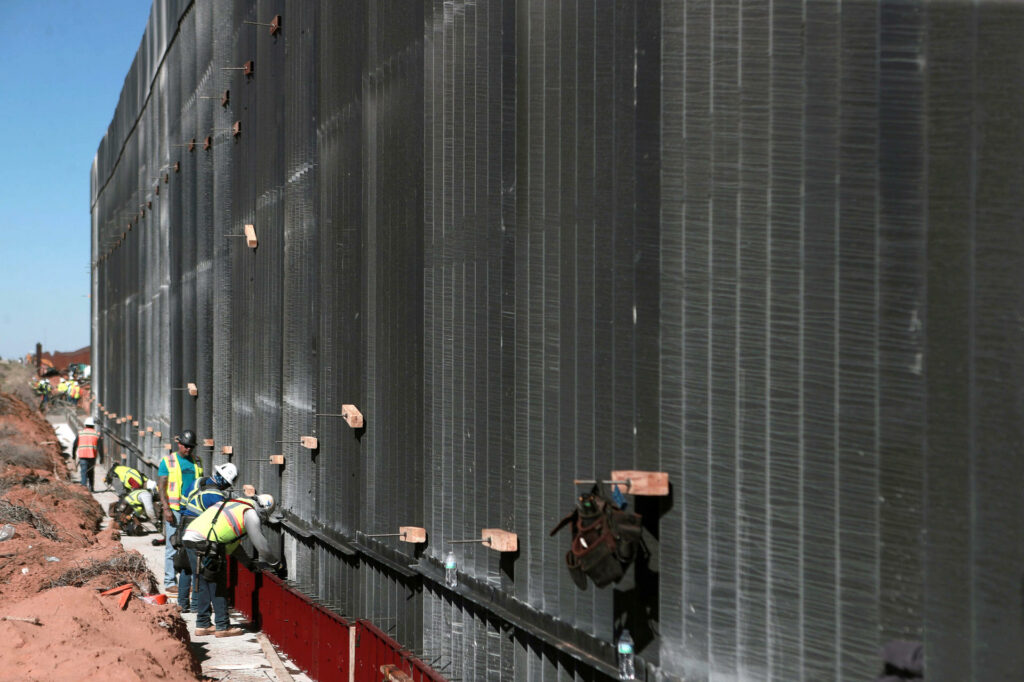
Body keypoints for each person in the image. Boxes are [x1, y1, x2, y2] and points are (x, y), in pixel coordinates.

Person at [182, 493, 280, 637]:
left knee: (203, 582)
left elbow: (233, 546)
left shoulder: (237, 504)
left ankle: (202, 624)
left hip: (191, 537)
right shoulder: (251, 514)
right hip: (207, 544)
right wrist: (276, 564)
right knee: (218, 584)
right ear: (263, 510)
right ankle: (223, 626)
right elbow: (262, 547)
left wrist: (249, 564)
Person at [174, 463, 237, 612]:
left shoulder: (198, 481)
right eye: (227, 484)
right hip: (198, 529)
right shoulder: (216, 496)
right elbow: (219, 520)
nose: (226, 487)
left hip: (184, 522)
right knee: (198, 568)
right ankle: (196, 605)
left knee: (185, 566)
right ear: (223, 480)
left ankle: (182, 604)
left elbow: (183, 503)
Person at [157, 429, 203, 595]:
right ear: (179, 444)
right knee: (172, 545)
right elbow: (161, 487)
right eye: (185, 446)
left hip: (192, 510)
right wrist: (166, 508)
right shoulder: (168, 461)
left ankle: (188, 581)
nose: (188, 449)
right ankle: (170, 581)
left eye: (191, 446)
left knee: (190, 546)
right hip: (175, 510)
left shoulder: (197, 461)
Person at [72, 417, 103, 490]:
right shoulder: (96, 434)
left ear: (85, 425)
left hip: (82, 455)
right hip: (92, 456)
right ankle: (91, 487)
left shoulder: (80, 433)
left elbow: (74, 445)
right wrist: (102, 458)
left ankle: (84, 487)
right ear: (93, 425)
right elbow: (100, 447)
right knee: (91, 471)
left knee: (83, 471)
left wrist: (73, 455)